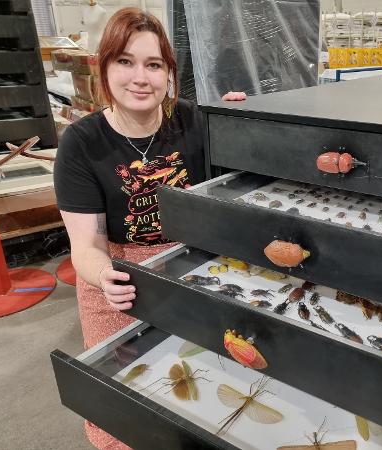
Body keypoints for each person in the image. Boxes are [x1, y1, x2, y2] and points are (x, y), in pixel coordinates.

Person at [53, 7, 245, 450]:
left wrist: (246, 121)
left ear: (168, 74)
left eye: (153, 64)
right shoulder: (81, 144)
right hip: (119, 274)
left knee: (206, 387)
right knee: (126, 406)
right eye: (125, 61)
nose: (140, 77)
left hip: (194, 264)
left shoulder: (195, 122)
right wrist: (105, 276)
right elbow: (85, 246)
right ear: (104, 68)